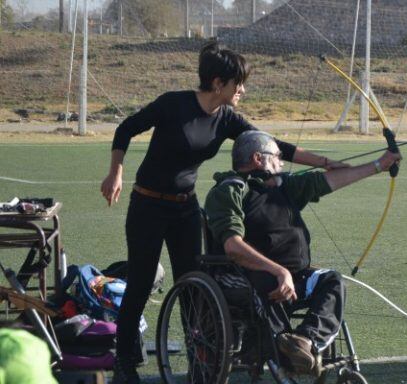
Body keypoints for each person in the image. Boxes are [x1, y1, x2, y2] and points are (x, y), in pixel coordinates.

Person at [99, 41, 347, 384]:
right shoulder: (174, 104)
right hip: (147, 204)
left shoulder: (227, 118)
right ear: (219, 84)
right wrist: (116, 172)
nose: (242, 90)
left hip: (184, 207)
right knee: (140, 284)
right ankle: (124, 364)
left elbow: (273, 144)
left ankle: (202, 362)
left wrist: (324, 162)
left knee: (193, 288)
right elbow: (125, 129)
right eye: (238, 83)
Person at [204, 130, 401, 376]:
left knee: (332, 280)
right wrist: (278, 271)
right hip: (248, 276)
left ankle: (303, 342)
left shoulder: (285, 187)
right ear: (257, 159)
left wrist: (379, 165)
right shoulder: (230, 191)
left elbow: (330, 181)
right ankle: (281, 350)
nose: (282, 162)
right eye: (277, 156)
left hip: (292, 276)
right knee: (267, 284)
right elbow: (232, 246)